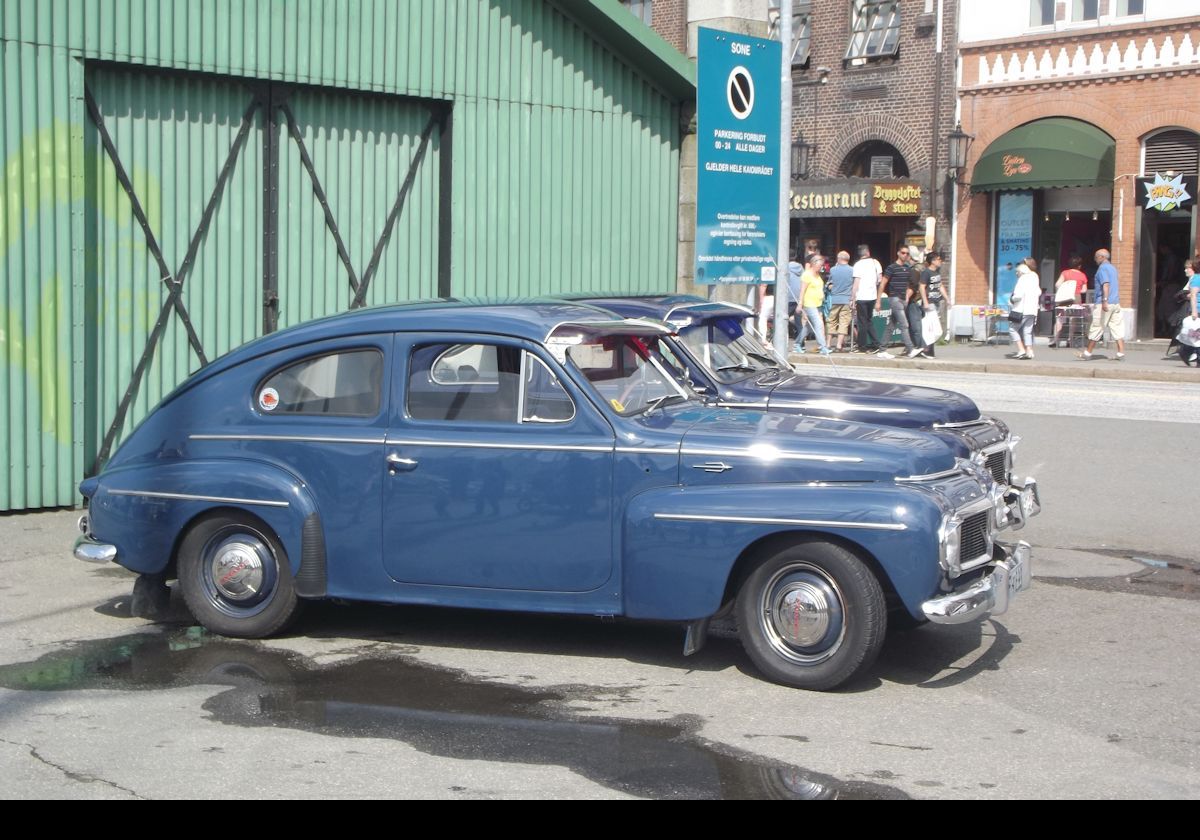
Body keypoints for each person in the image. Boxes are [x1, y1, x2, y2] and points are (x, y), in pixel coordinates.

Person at [1078, 248, 1126, 361]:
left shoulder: (1102, 268)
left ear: (1102, 257)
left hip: (1104, 303)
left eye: (1096, 257)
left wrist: (1104, 300)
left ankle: (1088, 352)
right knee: (1117, 327)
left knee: (1097, 326)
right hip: (1115, 302)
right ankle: (1121, 352)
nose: (1095, 260)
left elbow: (1106, 284)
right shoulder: (1113, 268)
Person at [879, 245, 918, 358]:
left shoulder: (907, 268)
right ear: (898, 253)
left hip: (902, 299)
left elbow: (910, 284)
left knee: (891, 325)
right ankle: (910, 349)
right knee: (904, 324)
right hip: (894, 298)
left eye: (907, 253)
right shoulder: (891, 268)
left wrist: (906, 297)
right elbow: (883, 283)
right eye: (903, 253)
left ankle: (882, 349)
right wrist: (878, 300)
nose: (905, 255)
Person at [851, 244, 888, 356]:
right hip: (872, 296)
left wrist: (853, 298)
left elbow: (856, 283)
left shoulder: (857, 265)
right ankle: (876, 343)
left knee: (862, 322)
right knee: (869, 320)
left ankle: (862, 346)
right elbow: (879, 279)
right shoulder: (875, 263)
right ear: (868, 252)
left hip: (861, 296)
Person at [795, 254, 832, 356]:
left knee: (808, 327)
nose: (821, 267)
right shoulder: (807, 275)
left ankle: (797, 343)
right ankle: (823, 347)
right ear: (813, 264)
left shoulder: (817, 275)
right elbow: (802, 290)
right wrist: (800, 303)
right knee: (819, 325)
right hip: (809, 303)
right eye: (819, 265)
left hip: (818, 304)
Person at [1008, 258, 1042, 360]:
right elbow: (1039, 292)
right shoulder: (1035, 277)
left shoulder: (1022, 279)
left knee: (1012, 329)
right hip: (1032, 309)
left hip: (1021, 309)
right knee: (1027, 331)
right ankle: (1029, 351)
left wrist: (1012, 299)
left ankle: (1021, 349)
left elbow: (1018, 295)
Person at [1051, 255, 1088, 348]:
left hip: (1064, 297)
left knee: (1060, 318)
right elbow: (1084, 290)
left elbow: (1057, 284)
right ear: (1079, 265)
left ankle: (1056, 339)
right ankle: (1070, 340)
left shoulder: (1065, 273)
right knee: (1073, 320)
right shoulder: (1082, 275)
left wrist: (1064, 288)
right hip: (1076, 298)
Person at [917, 252, 945, 357]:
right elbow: (921, 287)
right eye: (938, 259)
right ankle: (926, 348)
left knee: (932, 329)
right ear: (932, 261)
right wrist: (925, 302)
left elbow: (940, 285)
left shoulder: (936, 272)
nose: (940, 261)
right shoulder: (926, 272)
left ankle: (929, 351)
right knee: (936, 330)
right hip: (929, 303)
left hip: (936, 302)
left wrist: (947, 299)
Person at [827, 251, 854, 352]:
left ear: (839, 259)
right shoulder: (852, 270)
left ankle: (828, 344)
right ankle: (839, 345)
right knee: (843, 322)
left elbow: (829, 284)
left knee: (831, 321)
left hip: (835, 299)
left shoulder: (833, 269)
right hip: (846, 299)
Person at [1179, 260, 1200, 367]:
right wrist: (1195, 311)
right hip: (1198, 310)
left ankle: (1186, 352)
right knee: (1196, 335)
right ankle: (1185, 351)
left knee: (1197, 336)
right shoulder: (1196, 279)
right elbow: (1193, 295)